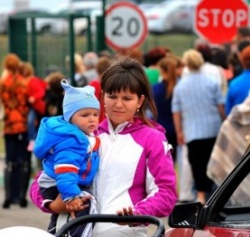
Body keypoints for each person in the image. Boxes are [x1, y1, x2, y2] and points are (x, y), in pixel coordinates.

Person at [30, 56, 178, 236]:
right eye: (112, 96)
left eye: (127, 98)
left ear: (140, 101)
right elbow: (42, 180)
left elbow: (166, 193)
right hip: (69, 230)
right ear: (102, 96)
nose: (118, 104)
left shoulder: (153, 139)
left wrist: (138, 213)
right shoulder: (82, 135)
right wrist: (53, 205)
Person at [34, 79, 100, 236]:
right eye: (85, 115)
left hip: (61, 182)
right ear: (70, 118)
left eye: (95, 114)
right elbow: (65, 170)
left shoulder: (83, 135)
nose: (91, 119)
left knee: (62, 215)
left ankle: (53, 230)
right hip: (58, 183)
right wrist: (71, 196)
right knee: (83, 205)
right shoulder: (72, 140)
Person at [172, 49, 225, 204]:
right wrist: (225, 120)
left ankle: (201, 195)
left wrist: (179, 132)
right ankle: (215, 194)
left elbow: (177, 112)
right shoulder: (212, 82)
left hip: (192, 130)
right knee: (212, 161)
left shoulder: (180, 86)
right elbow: (220, 106)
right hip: (213, 128)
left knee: (196, 163)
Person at [1, 53, 31, 209]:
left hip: (9, 127)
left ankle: (8, 197)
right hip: (23, 126)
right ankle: (21, 197)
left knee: (9, 162)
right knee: (23, 161)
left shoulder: (3, 83)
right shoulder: (23, 83)